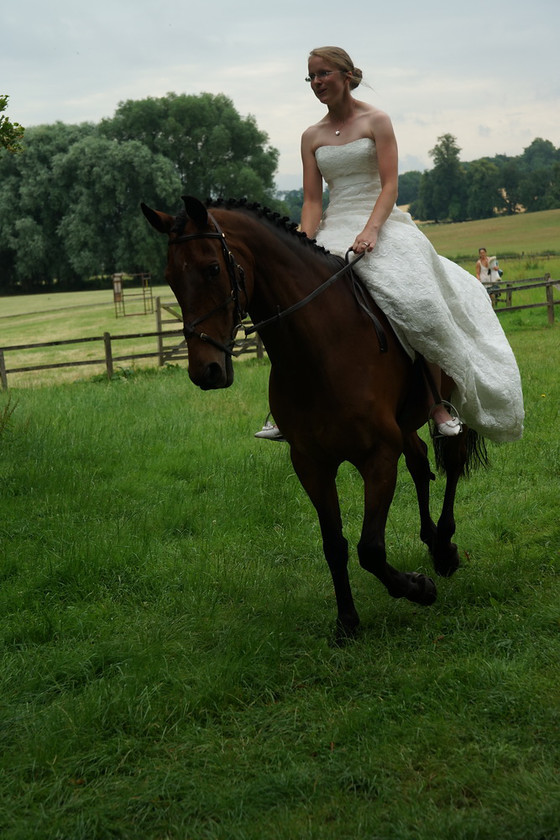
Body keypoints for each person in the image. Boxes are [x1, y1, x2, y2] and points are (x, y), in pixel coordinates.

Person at [256, 46, 524, 444]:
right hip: (334, 226)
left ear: (346, 75)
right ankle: (286, 406)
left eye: (323, 74)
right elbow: (313, 201)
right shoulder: (310, 136)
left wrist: (372, 230)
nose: (316, 83)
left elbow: (390, 186)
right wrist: (302, 243)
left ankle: (437, 403)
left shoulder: (376, 121)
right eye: (310, 77)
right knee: (293, 303)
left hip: (382, 223)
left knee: (419, 300)